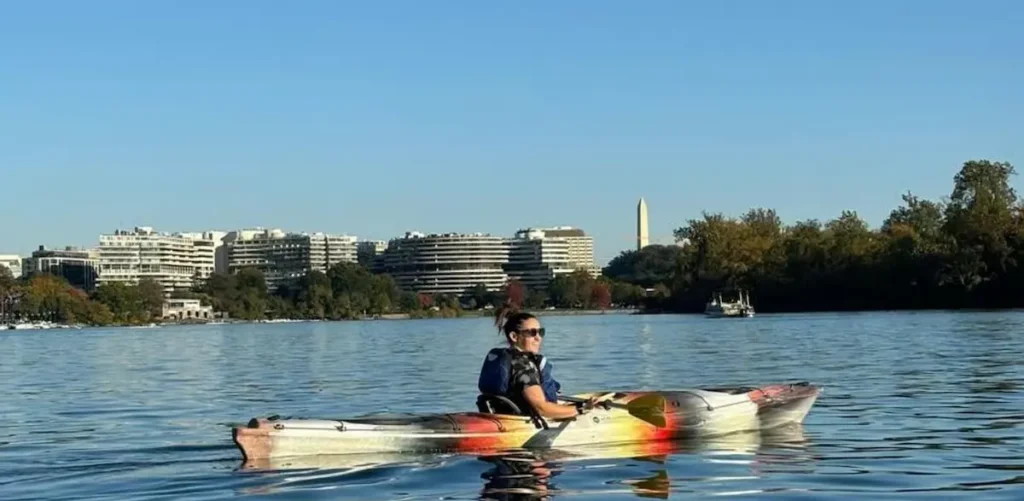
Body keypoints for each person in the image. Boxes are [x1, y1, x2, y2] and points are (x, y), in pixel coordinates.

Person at [477, 303, 600, 419]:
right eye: (532, 332)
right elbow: (542, 408)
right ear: (514, 336)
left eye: (541, 332)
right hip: (522, 423)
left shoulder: (502, 357)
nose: (538, 337)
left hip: (499, 416)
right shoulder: (523, 365)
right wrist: (582, 409)